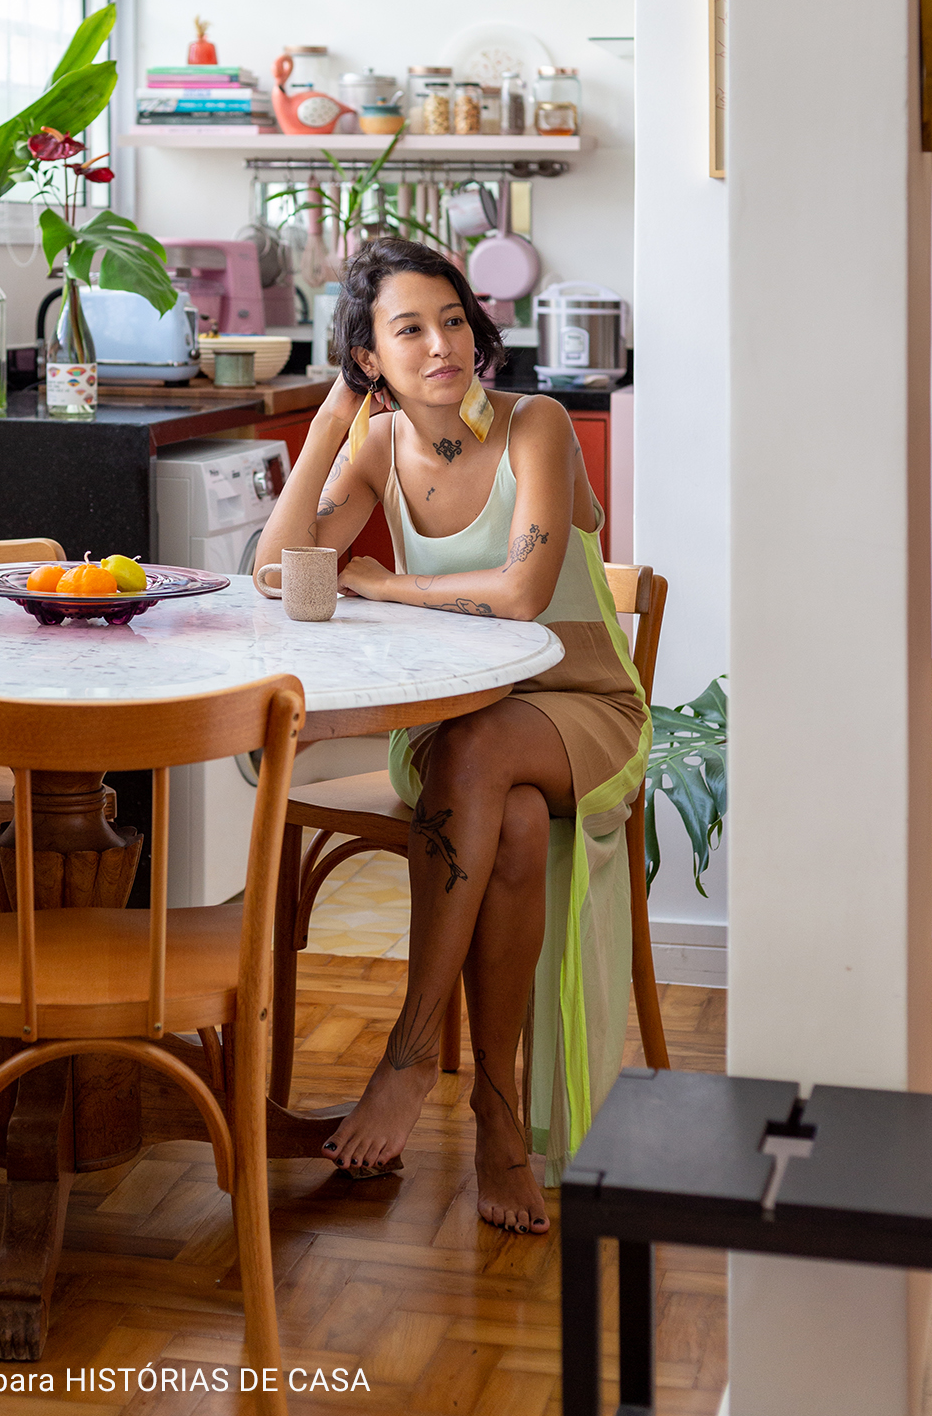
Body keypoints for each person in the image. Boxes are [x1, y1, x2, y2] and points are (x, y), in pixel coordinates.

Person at [252, 236, 650, 1234]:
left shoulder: (537, 426)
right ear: (372, 357)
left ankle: (409, 1052)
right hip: (459, 726)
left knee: (482, 759)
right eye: (408, 329)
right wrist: (338, 418)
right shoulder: (379, 444)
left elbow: (522, 596)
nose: (442, 344)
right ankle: (497, 1119)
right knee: (503, 811)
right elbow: (276, 568)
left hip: (586, 710)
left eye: (454, 319)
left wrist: (394, 585)